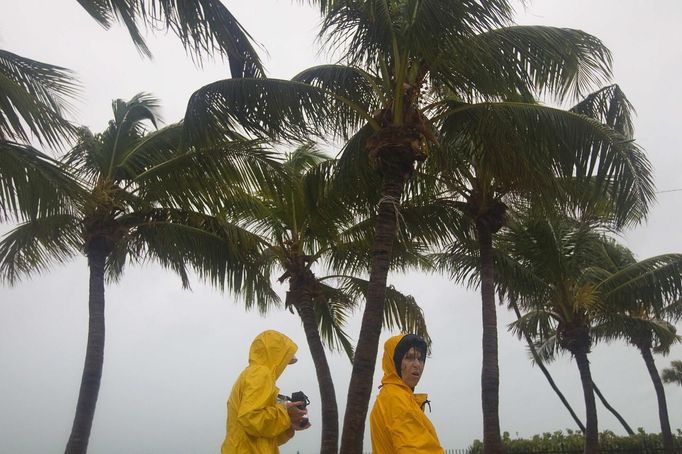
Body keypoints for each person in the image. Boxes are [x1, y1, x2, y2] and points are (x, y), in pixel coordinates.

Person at [220, 330, 310, 454]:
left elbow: (262, 436)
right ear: (276, 355)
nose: (284, 366)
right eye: (284, 359)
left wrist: (289, 425)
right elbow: (250, 418)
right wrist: (285, 413)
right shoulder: (261, 374)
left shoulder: (252, 374)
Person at [369, 333, 444, 454]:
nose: (417, 365)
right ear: (395, 362)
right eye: (409, 357)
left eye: (420, 359)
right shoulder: (396, 399)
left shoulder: (389, 396)